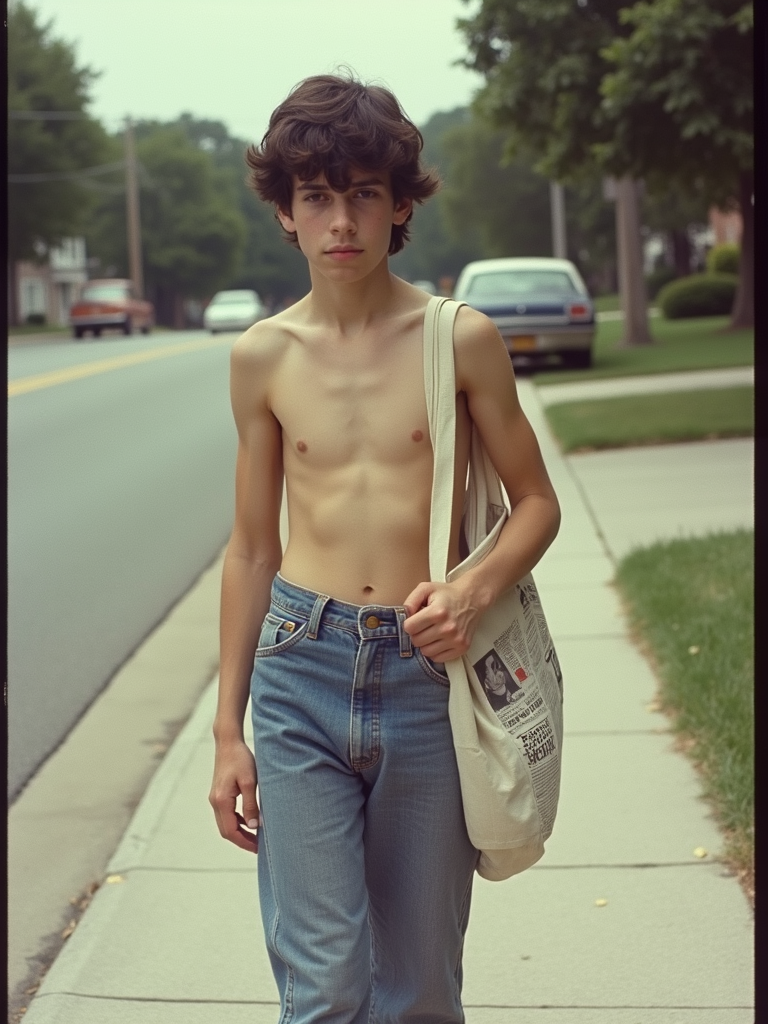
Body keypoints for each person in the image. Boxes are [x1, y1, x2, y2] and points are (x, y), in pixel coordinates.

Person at [209, 72, 561, 1024]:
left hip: (424, 673)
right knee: (323, 988)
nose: (342, 220)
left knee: (417, 991)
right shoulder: (262, 359)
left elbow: (535, 502)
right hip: (299, 669)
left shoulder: (461, 340)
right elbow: (249, 550)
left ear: (400, 203)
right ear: (286, 212)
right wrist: (225, 730)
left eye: (365, 191)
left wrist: (473, 588)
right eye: (316, 196)